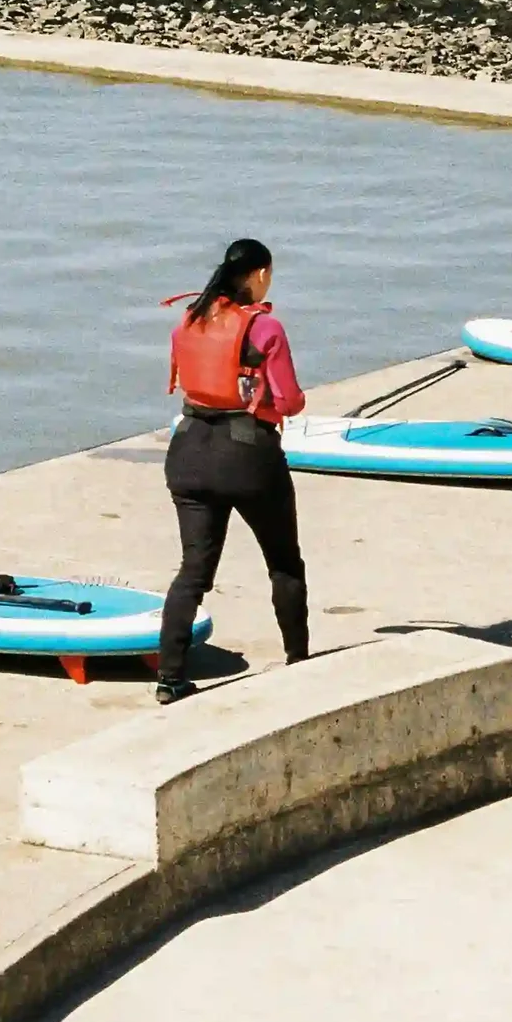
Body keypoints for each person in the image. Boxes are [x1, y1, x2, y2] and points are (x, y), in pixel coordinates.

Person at [157, 237, 309, 705]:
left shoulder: (191, 316)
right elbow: (288, 400)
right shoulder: (265, 328)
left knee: (193, 572)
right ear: (259, 275)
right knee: (284, 563)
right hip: (247, 456)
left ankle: (169, 677)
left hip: (187, 451)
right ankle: (298, 661)